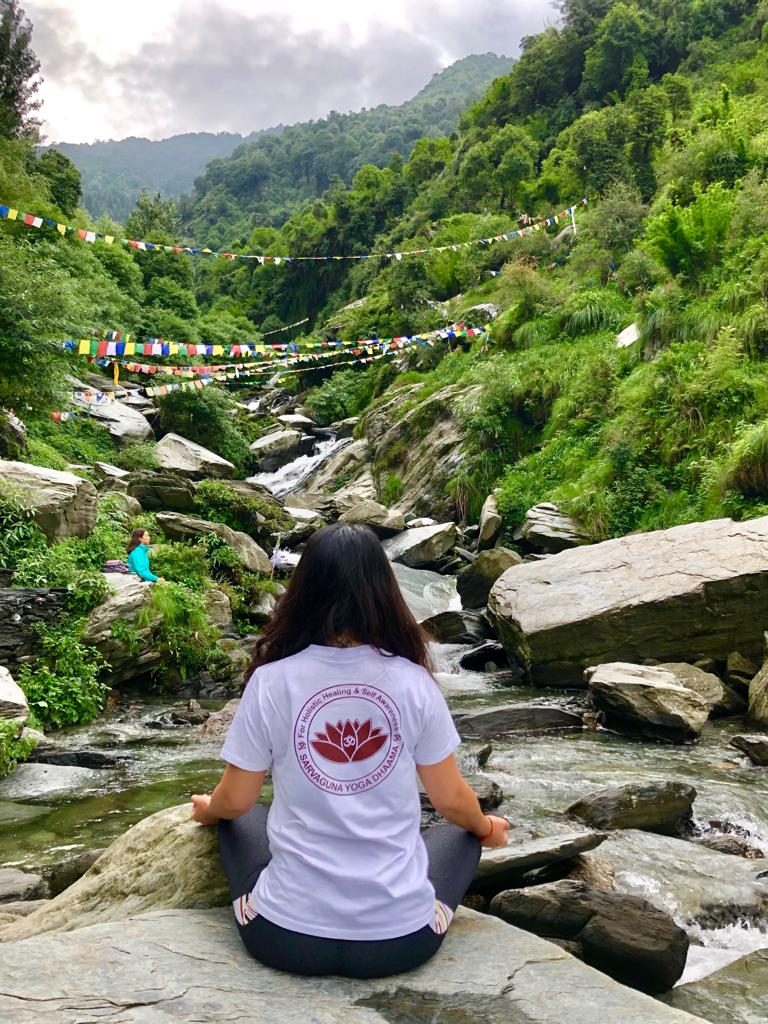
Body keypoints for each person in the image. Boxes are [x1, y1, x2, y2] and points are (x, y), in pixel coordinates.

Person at [191, 523, 509, 979]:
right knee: (461, 835)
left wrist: (208, 810)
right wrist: (488, 827)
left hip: (284, 938)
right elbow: (452, 802)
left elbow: (236, 800)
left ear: (303, 591)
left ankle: (274, 899)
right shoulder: (414, 682)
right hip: (400, 943)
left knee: (239, 818)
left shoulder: (272, 679)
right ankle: (414, 901)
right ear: (384, 591)